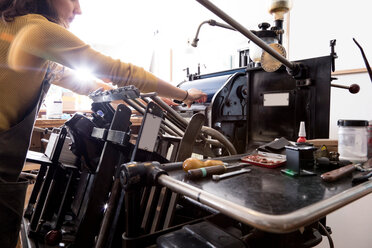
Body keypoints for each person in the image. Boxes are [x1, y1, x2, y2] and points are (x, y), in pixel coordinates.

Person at [0, 0, 207, 246]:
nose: (78, 9)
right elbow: (121, 71)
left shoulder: (18, 26)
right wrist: (184, 95)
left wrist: (152, 97)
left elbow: (84, 83)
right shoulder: (38, 29)